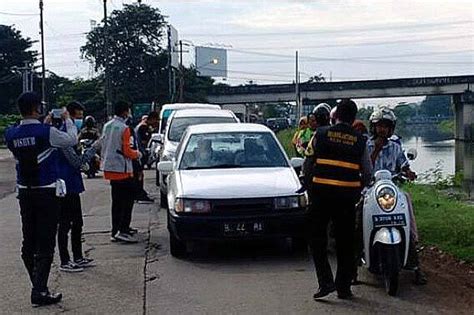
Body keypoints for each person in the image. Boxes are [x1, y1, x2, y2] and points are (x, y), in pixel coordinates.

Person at [5, 92, 78, 306]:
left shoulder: (10, 134)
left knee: (29, 242)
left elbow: (27, 140)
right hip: (47, 191)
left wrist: (42, 125)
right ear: (37, 108)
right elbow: (71, 140)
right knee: (46, 242)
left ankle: (38, 284)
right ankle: (39, 290)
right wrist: (67, 120)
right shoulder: (47, 132)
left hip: (25, 192)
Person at [307, 99, 372, 300]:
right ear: (354, 119)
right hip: (346, 199)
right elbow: (368, 174)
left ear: (335, 116)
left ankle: (325, 282)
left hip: (320, 197)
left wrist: (311, 187)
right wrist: (357, 188)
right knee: (345, 243)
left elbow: (307, 165)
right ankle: (343, 288)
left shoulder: (320, 134)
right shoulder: (360, 141)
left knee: (317, 240)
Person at [367, 107, 427, 285]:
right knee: (358, 216)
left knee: (406, 204)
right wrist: (376, 150)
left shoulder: (395, 147)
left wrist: (408, 172)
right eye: (379, 126)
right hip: (370, 190)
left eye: (386, 126)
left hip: (391, 190)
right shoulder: (366, 146)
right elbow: (366, 167)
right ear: (374, 127)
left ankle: (415, 263)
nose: (383, 129)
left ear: (391, 128)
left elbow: (403, 165)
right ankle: (354, 265)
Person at [56, 101, 95, 273]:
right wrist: (93, 149)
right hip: (65, 185)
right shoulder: (64, 135)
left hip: (73, 183)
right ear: (71, 115)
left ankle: (78, 256)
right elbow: (75, 161)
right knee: (65, 224)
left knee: (77, 222)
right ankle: (65, 260)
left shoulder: (72, 135)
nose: (81, 120)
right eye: (78, 116)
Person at [99, 101, 141, 243]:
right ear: (124, 112)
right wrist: (138, 154)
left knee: (116, 202)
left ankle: (116, 230)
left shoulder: (107, 126)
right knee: (127, 202)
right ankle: (122, 230)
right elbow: (127, 151)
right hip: (123, 169)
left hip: (110, 168)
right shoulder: (124, 128)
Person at [133, 111, 159, 203]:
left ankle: (140, 192)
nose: (156, 123)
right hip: (139, 154)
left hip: (139, 153)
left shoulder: (142, 125)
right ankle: (139, 194)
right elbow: (144, 142)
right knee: (139, 174)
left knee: (139, 174)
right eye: (156, 120)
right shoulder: (144, 127)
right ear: (152, 119)